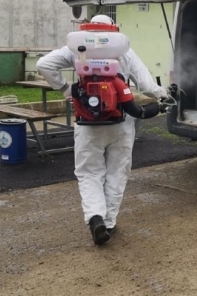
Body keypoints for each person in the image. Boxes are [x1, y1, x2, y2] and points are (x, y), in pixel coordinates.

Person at [37, 15, 168, 245]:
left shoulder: (78, 49)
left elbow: (43, 64)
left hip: (87, 124)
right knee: (117, 172)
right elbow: (147, 85)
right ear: (113, 31)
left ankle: (95, 218)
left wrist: (67, 90)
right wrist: (164, 95)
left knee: (89, 173)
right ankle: (108, 223)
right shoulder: (123, 50)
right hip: (121, 122)